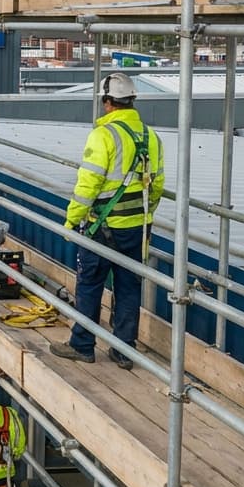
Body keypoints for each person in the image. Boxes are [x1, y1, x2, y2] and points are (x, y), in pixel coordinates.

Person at [50, 72, 165, 369]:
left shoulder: (103, 135)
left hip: (102, 226)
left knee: (90, 284)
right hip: (137, 228)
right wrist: (145, 214)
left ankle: (83, 345)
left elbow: (87, 185)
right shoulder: (151, 137)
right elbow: (158, 185)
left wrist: (70, 223)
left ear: (107, 103)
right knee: (128, 287)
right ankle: (123, 349)